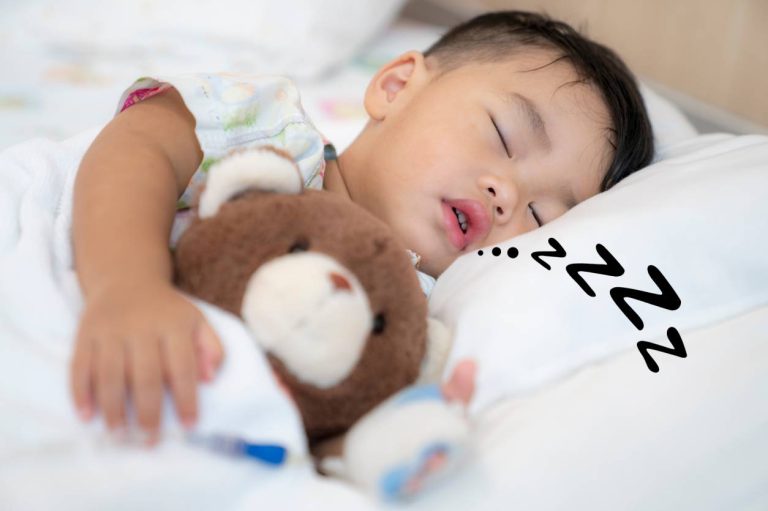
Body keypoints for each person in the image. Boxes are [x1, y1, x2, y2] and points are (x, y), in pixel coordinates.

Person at [69, 10, 654, 445]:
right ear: (396, 86)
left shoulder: (422, 313)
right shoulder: (273, 137)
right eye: (503, 136)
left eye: (542, 216)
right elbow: (138, 147)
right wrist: (128, 288)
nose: (509, 195)